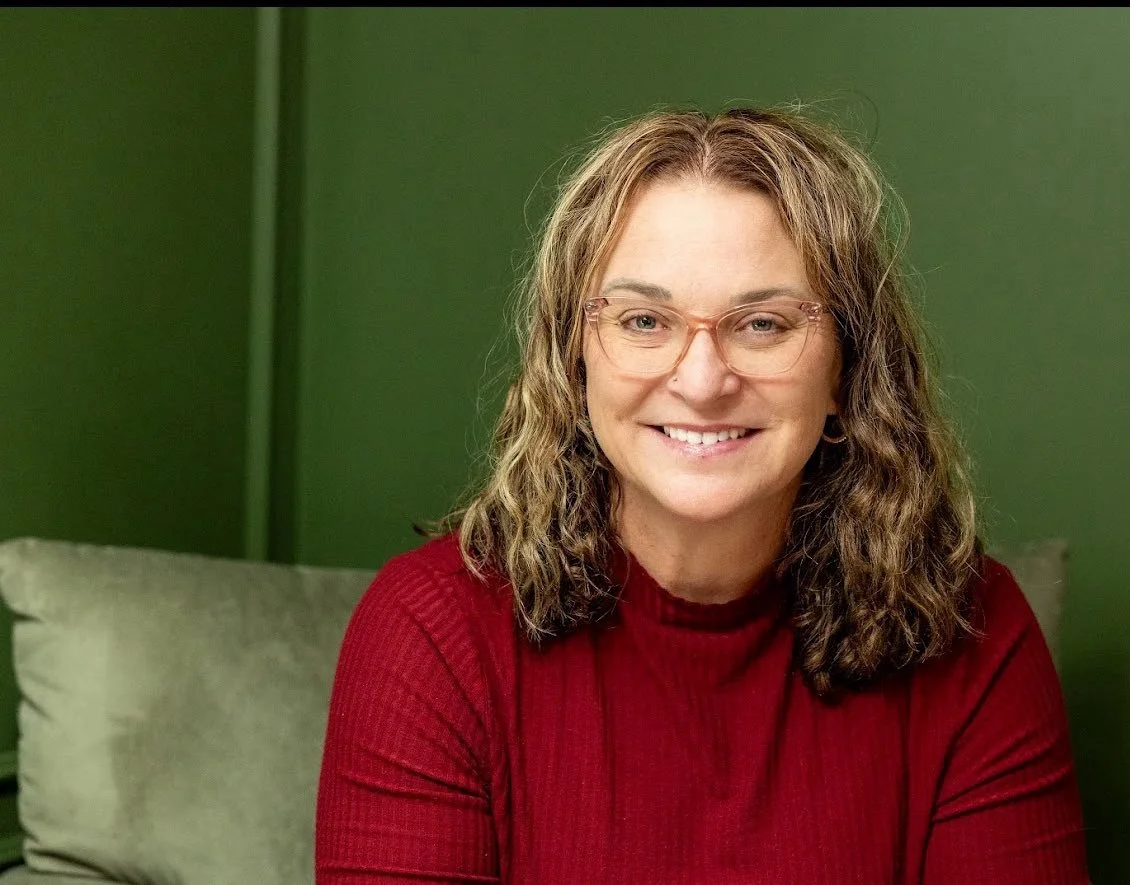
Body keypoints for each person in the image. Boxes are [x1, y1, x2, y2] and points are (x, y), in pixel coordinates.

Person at [316, 106, 1088, 883]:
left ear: (846, 370)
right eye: (645, 319)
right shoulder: (430, 638)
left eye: (761, 324)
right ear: (574, 358)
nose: (701, 379)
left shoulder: (977, 635)